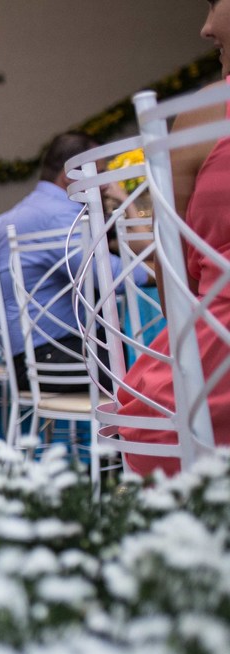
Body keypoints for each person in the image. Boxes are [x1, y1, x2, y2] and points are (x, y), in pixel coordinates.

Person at [116, 1, 230, 475]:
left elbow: (172, 270)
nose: (206, 29)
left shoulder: (207, 111)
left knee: (162, 406)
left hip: (210, 371)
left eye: (214, 2)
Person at [0, 131, 150, 392]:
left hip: (24, 359)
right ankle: (129, 432)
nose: (104, 185)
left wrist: (8, 309)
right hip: (57, 359)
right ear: (70, 174)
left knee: (134, 359)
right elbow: (113, 277)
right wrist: (159, 272)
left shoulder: (9, 217)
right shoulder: (62, 216)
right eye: (99, 175)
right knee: (149, 365)